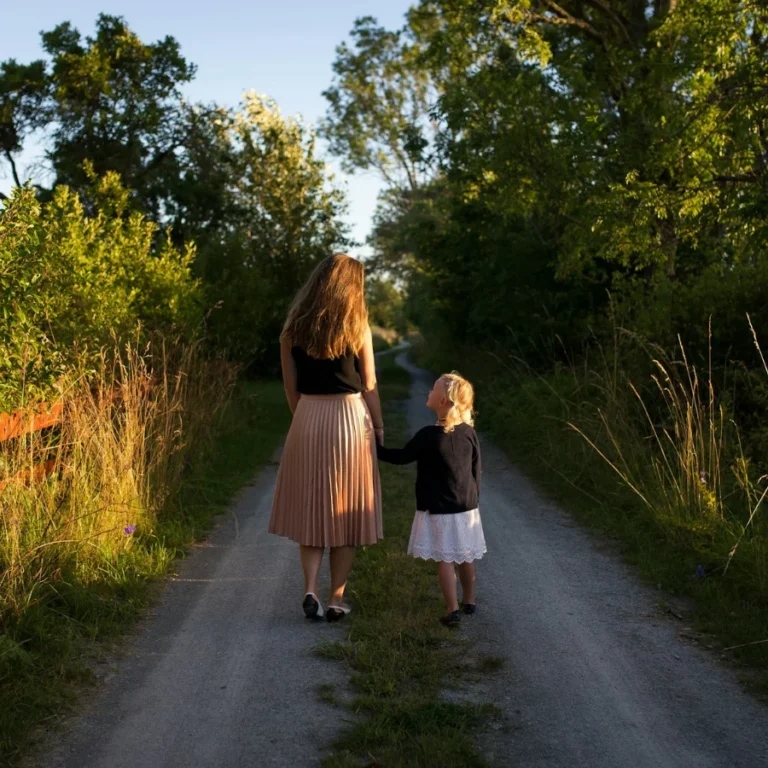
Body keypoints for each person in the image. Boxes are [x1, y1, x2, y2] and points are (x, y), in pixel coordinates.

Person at [268, 254, 384, 622]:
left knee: (312, 509)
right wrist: (379, 427)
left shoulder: (292, 329)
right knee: (345, 512)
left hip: (307, 416)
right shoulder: (357, 326)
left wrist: (303, 418)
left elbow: (290, 387)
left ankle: (310, 590)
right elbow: (369, 384)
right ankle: (336, 599)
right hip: (349, 418)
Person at [376, 372, 486, 627]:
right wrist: (474, 499)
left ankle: (452, 610)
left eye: (433, 389)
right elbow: (476, 469)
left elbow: (401, 457)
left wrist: (375, 448)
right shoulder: (469, 433)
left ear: (443, 401)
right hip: (466, 506)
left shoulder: (427, 435)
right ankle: (469, 601)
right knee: (465, 555)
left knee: (445, 559)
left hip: (438, 507)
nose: (429, 391)